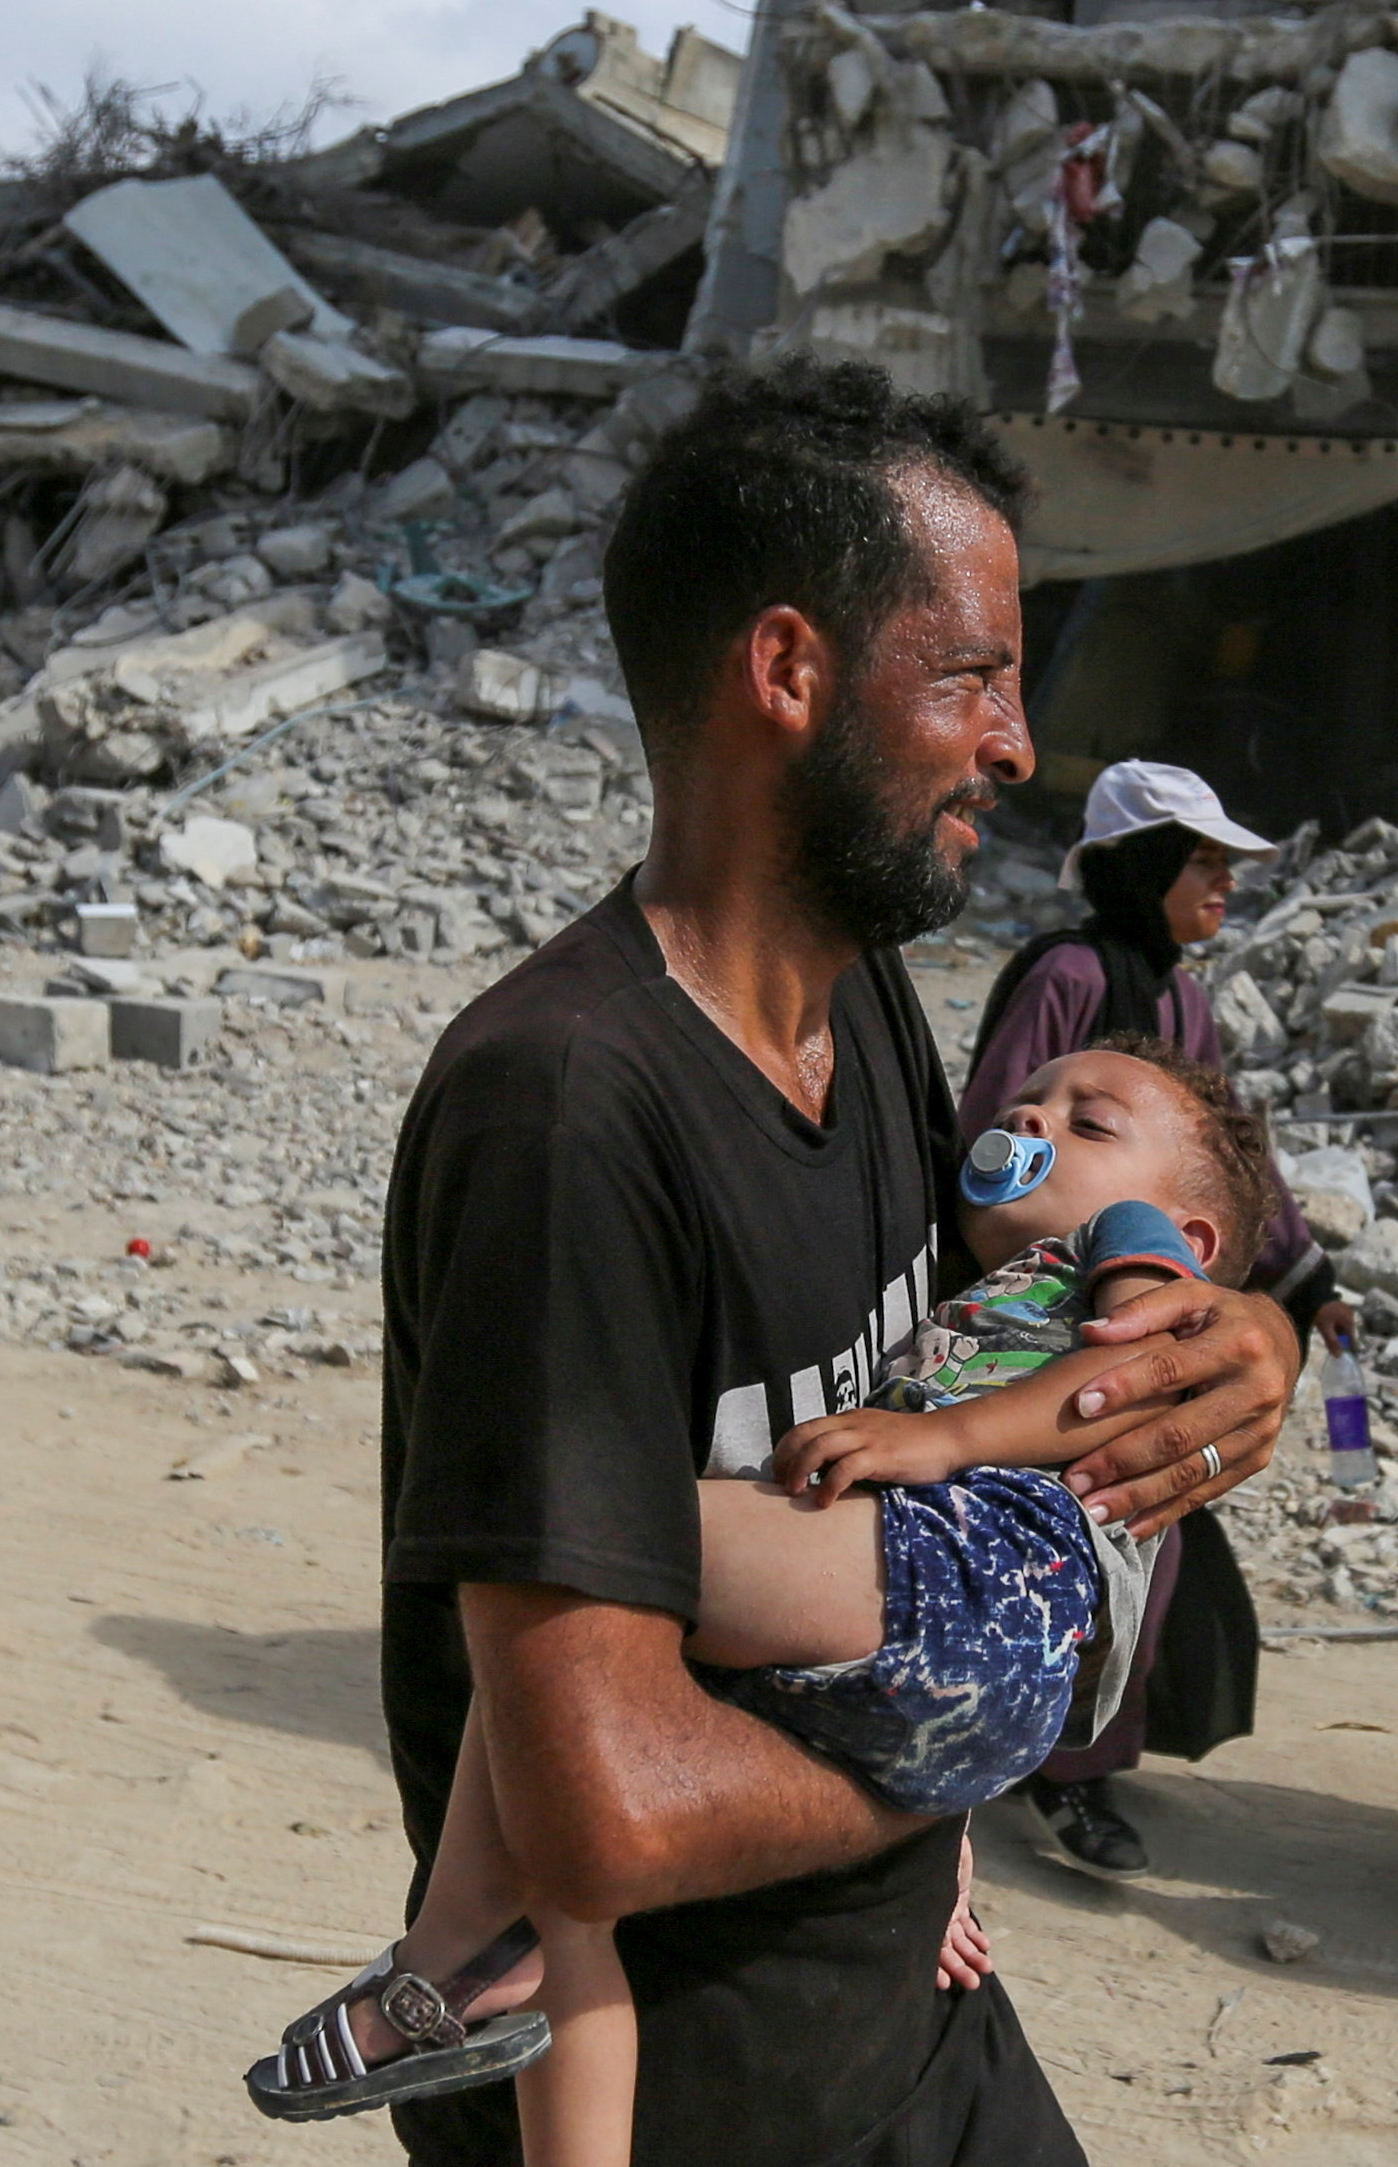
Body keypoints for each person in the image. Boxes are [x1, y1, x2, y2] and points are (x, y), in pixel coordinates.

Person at [364, 358, 1300, 2167]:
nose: (1018, 748)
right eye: (970, 679)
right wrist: (971, 1738)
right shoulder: (564, 1112)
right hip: (689, 2114)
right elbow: (598, 1814)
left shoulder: (862, 1001)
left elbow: (999, 1305)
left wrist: (1238, 1321)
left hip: (917, 2036)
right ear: (786, 673)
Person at [249, 1044, 1281, 2163]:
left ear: (1197, 1237)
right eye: (1028, 1098)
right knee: (563, 1856)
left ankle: (441, 1950)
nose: (1031, 1116)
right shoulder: (971, 1279)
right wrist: (951, 1814)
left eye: (1092, 1122)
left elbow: (1144, 1382)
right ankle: (498, 1978)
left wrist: (941, 1436)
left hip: (993, 1563)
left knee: (569, 1544)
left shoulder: (1124, 1240)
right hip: (967, 1616)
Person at [957, 759, 1351, 1881]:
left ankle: (1076, 1764)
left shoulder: (1185, 1000)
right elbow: (998, 1130)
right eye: (1203, 860)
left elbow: (1228, 1166)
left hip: (1147, 1316)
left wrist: (1307, 1281)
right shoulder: (1067, 974)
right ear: (1143, 865)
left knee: (1142, 1527)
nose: (1222, 882)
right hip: (1034, 1313)